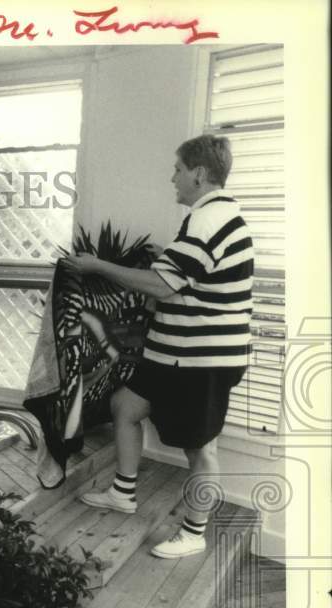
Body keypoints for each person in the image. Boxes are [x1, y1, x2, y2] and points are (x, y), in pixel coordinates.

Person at [61, 134, 253, 559]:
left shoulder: (210, 220)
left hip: (200, 359)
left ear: (199, 174)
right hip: (172, 352)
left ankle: (194, 532)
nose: (173, 178)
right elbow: (188, 280)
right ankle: (123, 493)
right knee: (125, 407)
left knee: (201, 448)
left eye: (178, 170)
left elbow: (162, 284)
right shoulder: (209, 217)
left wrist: (96, 265)